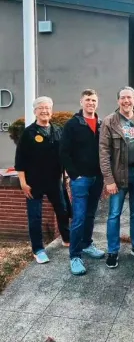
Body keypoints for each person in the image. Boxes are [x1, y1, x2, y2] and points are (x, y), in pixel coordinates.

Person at [15, 96, 70, 264]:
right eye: (41, 108)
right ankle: (38, 249)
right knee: (35, 217)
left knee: (62, 211)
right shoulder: (29, 133)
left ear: (51, 110)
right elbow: (20, 160)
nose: (44, 111)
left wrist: (65, 174)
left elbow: (64, 154)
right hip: (34, 183)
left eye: (47, 108)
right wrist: (23, 183)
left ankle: (67, 239)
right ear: (35, 111)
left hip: (55, 181)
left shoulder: (58, 130)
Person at [100, 86, 134, 269]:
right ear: (118, 100)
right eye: (123, 98)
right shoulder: (109, 121)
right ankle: (113, 251)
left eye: (129, 97)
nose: (126, 101)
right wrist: (109, 180)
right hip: (118, 174)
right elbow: (103, 152)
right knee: (114, 214)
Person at [60, 89, 104, 276]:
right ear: (81, 102)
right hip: (81, 179)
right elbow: (63, 152)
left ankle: (87, 244)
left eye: (93, 100)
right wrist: (74, 175)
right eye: (87, 100)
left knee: (90, 215)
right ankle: (75, 256)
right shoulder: (72, 124)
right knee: (78, 218)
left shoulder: (102, 124)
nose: (91, 103)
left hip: (98, 178)